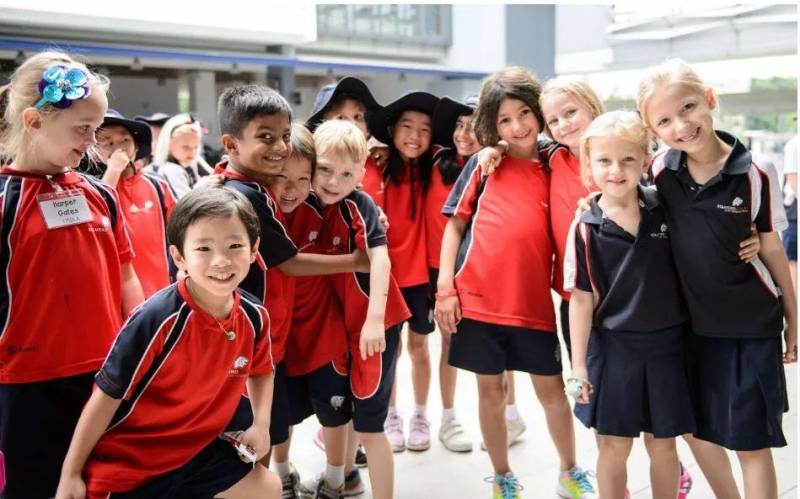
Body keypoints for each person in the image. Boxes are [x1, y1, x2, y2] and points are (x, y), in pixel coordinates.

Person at [55, 186, 281, 499]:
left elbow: (262, 370)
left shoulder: (254, 315)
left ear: (254, 249)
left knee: (268, 488)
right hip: (132, 464)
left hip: (197, 452)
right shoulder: (157, 319)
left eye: (235, 246)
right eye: (203, 248)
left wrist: (261, 424)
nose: (221, 261)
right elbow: (105, 397)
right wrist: (70, 474)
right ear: (178, 257)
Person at [640, 58, 797, 498]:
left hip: (750, 328)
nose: (681, 125)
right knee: (698, 432)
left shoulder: (756, 170)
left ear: (709, 99)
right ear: (653, 129)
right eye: (665, 120)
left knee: (752, 443)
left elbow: (772, 249)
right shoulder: (658, 171)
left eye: (688, 108)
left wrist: (794, 320)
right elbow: (624, 202)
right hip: (688, 328)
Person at [435, 66, 594, 499]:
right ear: (493, 125)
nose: (518, 126)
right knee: (491, 391)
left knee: (553, 392)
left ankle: (570, 471)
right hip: (477, 300)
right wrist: (445, 289)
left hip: (532, 304)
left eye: (524, 113)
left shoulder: (555, 161)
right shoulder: (485, 164)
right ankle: (503, 477)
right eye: (504, 120)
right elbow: (455, 225)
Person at [0, 50, 144, 499]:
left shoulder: (101, 196)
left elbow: (125, 276)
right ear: (34, 121)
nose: (92, 143)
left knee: (102, 484)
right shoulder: (5, 202)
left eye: (96, 129)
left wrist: (141, 345)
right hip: (27, 384)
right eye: (83, 129)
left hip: (105, 377)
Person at [565, 110, 694, 499]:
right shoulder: (585, 226)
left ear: (645, 160)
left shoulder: (666, 207)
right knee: (613, 445)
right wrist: (578, 365)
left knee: (663, 444)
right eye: (604, 160)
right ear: (588, 165)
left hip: (668, 347)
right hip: (613, 350)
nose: (616, 170)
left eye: (627, 159)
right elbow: (581, 299)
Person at [298, 120, 410, 499]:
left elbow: (380, 259)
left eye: (347, 174)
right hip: (337, 327)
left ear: (361, 175)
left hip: (374, 326)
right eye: (325, 169)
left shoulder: (359, 205)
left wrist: (375, 321)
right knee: (340, 411)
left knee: (370, 427)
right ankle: (344, 479)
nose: (334, 181)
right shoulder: (303, 203)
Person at [367, 90, 441, 453]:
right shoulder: (376, 166)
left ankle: (421, 415)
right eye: (407, 127)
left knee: (419, 347)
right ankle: (391, 414)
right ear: (392, 130)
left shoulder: (436, 166)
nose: (415, 136)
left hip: (420, 278)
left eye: (425, 129)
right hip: (385, 278)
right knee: (389, 352)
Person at [426, 94, 481, 452]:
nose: (463, 134)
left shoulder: (495, 166)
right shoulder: (435, 161)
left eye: (473, 127)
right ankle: (448, 418)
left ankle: (508, 415)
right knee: (449, 343)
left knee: (494, 348)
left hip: (479, 270)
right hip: (439, 269)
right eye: (459, 125)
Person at [96, 109, 177, 298]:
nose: (119, 147)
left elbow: (180, 229)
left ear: (136, 146)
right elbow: (99, 211)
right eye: (108, 142)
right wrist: (113, 171)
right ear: (93, 152)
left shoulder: (157, 186)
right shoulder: (93, 188)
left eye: (125, 139)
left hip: (160, 291)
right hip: (117, 294)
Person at [153, 113, 212, 197]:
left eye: (196, 147)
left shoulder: (193, 160)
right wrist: (203, 184)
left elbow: (213, 174)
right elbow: (185, 201)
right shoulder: (170, 169)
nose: (192, 152)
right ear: (169, 144)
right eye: (186, 147)